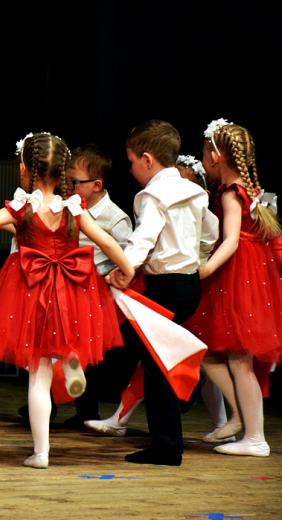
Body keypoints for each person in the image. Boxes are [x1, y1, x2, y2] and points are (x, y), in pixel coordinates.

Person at [0, 132, 133, 468]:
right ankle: (69, 356)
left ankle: (41, 453)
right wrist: (127, 269)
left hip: (32, 288)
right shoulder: (74, 206)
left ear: (24, 169)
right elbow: (105, 241)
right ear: (62, 171)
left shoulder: (24, 207)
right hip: (71, 287)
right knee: (64, 331)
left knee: (37, 376)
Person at [105, 120, 219, 466]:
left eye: (131, 162)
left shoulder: (151, 196)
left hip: (165, 287)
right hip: (188, 286)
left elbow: (143, 239)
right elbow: (210, 233)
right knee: (150, 354)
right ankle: (187, 386)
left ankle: (167, 446)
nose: (130, 169)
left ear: (147, 159)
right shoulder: (194, 191)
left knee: (154, 366)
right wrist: (196, 259)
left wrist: (125, 269)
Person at [183, 119, 282, 457]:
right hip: (252, 273)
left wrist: (205, 269)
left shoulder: (230, 192)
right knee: (215, 352)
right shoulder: (251, 191)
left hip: (238, 275)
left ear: (215, 156)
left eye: (204, 154)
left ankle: (255, 437)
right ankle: (246, 424)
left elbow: (231, 240)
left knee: (239, 359)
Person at [58, 144, 133, 427]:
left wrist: (113, 275)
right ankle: (69, 406)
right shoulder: (67, 207)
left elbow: (124, 255)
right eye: (66, 181)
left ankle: (86, 410)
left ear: (96, 185)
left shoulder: (115, 217)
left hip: (97, 292)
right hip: (67, 286)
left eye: (73, 182)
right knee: (66, 346)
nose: (68, 187)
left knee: (89, 351)